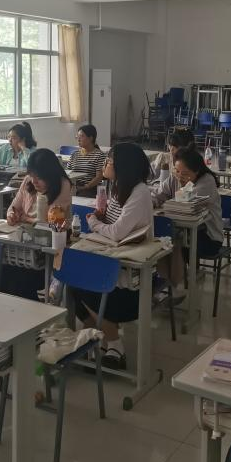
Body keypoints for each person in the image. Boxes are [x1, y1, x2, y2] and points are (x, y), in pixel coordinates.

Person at [72, 143, 153, 369]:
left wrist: (94, 223)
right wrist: (101, 218)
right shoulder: (117, 188)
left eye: (109, 162)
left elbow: (117, 232)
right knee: (71, 280)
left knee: (82, 284)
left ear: (122, 167)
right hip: (112, 260)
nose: (105, 165)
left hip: (130, 278)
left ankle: (114, 343)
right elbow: (112, 224)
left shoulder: (139, 192)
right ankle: (99, 339)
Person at [0, 149, 72, 300]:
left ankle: (30, 309)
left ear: (50, 175)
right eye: (32, 176)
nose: (34, 181)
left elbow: (51, 223)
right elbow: (14, 207)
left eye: (39, 178)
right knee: (0, 272)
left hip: (48, 249)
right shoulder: (28, 181)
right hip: (25, 244)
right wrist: (11, 215)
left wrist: (25, 218)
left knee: (20, 279)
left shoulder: (63, 185)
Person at [152, 148, 223, 306]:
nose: (179, 176)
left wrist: (168, 201)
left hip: (209, 237)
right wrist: (150, 202)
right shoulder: (175, 177)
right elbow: (159, 193)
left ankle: (176, 287)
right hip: (185, 232)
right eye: (177, 171)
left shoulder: (206, 181)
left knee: (172, 242)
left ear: (196, 171)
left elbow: (184, 201)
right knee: (161, 242)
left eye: (185, 173)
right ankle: (163, 285)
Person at [151, 128, 197, 197]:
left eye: (175, 146)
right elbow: (159, 192)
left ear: (187, 148)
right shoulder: (164, 158)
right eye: (170, 145)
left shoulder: (194, 170)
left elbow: (185, 196)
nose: (171, 149)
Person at [68, 124, 106, 197]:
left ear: (90, 138)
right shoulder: (74, 154)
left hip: (90, 188)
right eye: (77, 137)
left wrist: (85, 187)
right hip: (74, 186)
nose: (78, 139)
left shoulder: (99, 155)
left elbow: (99, 177)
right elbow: (68, 172)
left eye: (81, 136)